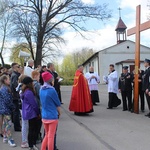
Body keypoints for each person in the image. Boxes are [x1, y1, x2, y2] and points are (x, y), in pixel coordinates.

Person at [40, 71, 61, 150]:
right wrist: (59, 112)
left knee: (47, 135)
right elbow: (57, 103)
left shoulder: (41, 89)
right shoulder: (52, 90)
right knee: (51, 136)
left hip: (44, 115)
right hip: (52, 116)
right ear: (50, 80)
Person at [21, 76, 39, 150]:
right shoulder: (29, 92)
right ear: (29, 83)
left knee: (31, 129)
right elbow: (33, 104)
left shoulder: (24, 91)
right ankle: (32, 144)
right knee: (33, 129)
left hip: (27, 112)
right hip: (31, 112)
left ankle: (31, 144)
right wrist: (38, 112)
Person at [0, 75, 16, 147]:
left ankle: (5, 137)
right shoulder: (4, 89)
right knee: (8, 124)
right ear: (5, 80)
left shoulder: (3, 88)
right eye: (8, 79)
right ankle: (10, 139)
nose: (9, 81)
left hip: (3, 108)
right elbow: (7, 100)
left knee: (5, 123)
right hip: (6, 109)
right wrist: (12, 107)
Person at [31, 70, 42, 144]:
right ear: (35, 76)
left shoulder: (31, 84)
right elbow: (40, 95)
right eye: (38, 76)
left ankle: (35, 137)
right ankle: (37, 137)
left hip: (33, 105)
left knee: (34, 124)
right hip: (38, 105)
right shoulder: (37, 85)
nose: (39, 77)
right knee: (38, 123)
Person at [10, 63, 21, 131]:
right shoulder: (14, 75)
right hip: (15, 96)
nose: (19, 68)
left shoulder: (15, 75)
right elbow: (15, 85)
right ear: (14, 68)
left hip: (15, 95)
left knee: (16, 111)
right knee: (16, 112)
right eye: (18, 67)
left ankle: (17, 125)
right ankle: (17, 127)